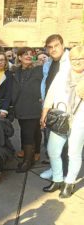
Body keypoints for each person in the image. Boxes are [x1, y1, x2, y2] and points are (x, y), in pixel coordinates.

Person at [40, 46, 84, 198]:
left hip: (80, 120)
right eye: (74, 59)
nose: (77, 62)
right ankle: (57, 179)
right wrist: (44, 113)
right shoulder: (63, 73)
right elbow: (50, 93)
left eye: (81, 58)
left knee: (73, 152)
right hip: (61, 117)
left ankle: (69, 183)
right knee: (53, 150)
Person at [39, 34, 71, 180]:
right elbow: (47, 84)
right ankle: (54, 169)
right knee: (50, 143)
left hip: (66, 109)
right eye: (50, 47)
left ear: (62, 45)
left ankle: (65, 174)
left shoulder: (71, 61)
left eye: (56, 46)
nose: (53, 49)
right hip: (49, 107)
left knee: (66, 146)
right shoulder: (48, 63)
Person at [11, 47, 43, 173]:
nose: (29, 56)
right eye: (25, 54)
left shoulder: (39, 69)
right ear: (19, 57)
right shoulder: (15, 71)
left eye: (31, 54)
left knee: (27, 134)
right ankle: (33, 152)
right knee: (32, 131)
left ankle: (27, 162)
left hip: (34, 106)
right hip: (20, 107)